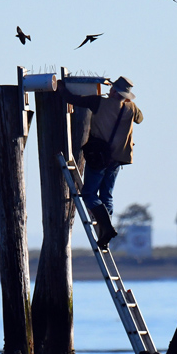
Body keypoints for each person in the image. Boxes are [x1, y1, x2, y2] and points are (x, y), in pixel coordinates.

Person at [57, 76, 143, 249]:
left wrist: (60, 86)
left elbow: (71, 99)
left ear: (112, 90)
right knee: (106, 196)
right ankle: (106, 231)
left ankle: (107, 227)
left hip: (99, 156)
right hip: (118, 158)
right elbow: (140, 119)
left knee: (89, 194)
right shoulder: (131, 108)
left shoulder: (98, 102)